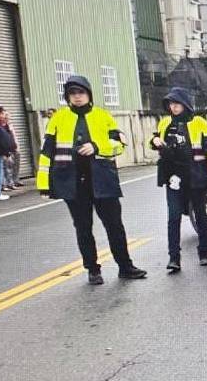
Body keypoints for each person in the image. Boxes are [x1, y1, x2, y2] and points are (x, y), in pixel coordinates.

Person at [36, 75, 147, 285]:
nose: (77, 97)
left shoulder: (102, 116)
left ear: (88, 94)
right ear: (68, 97)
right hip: (73, 183)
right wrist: (44, 185)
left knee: (114, 226)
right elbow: (46, 153)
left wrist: (97, 146)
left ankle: (125, 266)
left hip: (103, 179)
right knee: (83, 227)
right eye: (72, 94)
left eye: (81, 93)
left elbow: (120, 143)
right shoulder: (58, 118)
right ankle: (93, 269)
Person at [150, 87, 207, 272]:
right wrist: (155, 142)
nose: (173, 107)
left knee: (200, 215)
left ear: (185, 104)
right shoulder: (165, 123)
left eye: (177, 103)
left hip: (196, 175)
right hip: (173, 177)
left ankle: (203, 253)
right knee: (173, 217)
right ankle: (174, 258)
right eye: (170, 104)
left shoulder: (199, 123)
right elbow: (156, 142)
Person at [0, 106, 22, 189]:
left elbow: (14, 135)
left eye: (7, 116)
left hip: (13, 147)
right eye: (5, 115)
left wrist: (17, 145)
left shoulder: (9, 125)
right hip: (6, 149)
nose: (6, 117)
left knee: (16, 164)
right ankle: (9, 183)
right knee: (7, 166)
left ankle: (15, 180)